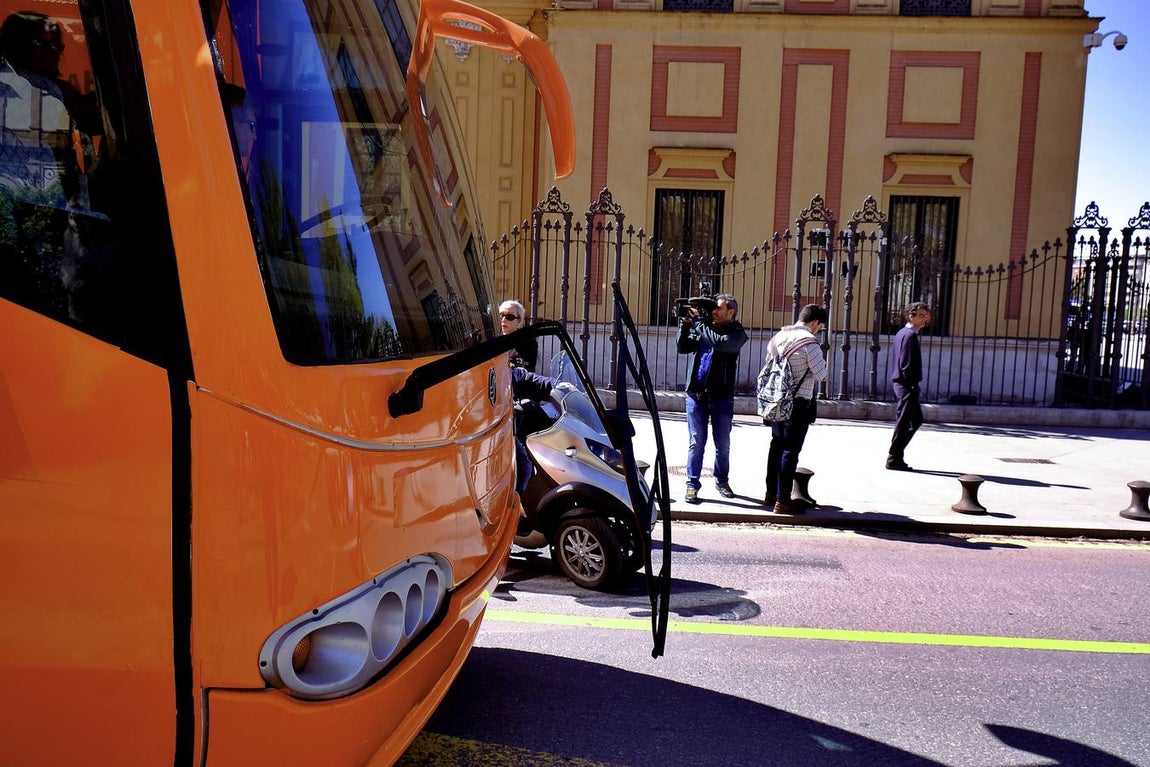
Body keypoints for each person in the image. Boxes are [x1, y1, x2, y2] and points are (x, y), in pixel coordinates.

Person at [676, 292, 748, 504]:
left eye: (719, 308)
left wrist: (698, 322)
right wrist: (686, 324)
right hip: (696, 395)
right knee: (696, 442)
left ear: (731, 312)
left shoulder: (737, 334)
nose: (714, 312)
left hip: (721, 397)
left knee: (722, 443)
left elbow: (717, 343)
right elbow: (683, 347)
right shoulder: (704, 327)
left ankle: (722, 480)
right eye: (713, 308)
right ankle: (691, 484)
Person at [763, 303, 828, 514]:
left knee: (776, 447)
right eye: (820, 326)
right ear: (815, 322)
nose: (819, 329)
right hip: (798, 403)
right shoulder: (810, 343)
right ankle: (783, 500)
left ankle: (770, 493)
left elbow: (768, 367)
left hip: (776, 401)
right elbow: (821, 374)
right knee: (790, 451)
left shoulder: (777, 338)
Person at [887, 301, 934, 471]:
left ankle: (896, 456)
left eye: (925, 316)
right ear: (910, 316)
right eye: (920, 316)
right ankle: (893, 458)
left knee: (915, 420)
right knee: (905, 422)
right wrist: (912, 384)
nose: (924, 320)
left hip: (904, 384)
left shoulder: (903, 333)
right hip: (907, 385)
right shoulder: (909, 335)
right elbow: (906, 362)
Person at [499, 298, 538, 372]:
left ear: (519, 320)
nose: (503, 320)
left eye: (510, 317)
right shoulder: (494, 340)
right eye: (501, 315)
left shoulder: (528, 343)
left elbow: (526, 370)